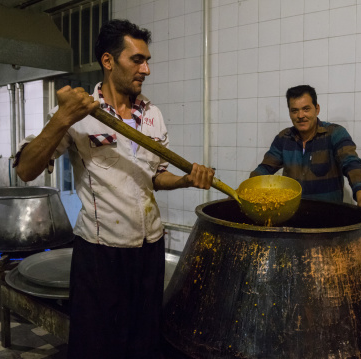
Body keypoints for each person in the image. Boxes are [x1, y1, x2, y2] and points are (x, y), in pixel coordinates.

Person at [14, 19, 215, 359]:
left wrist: (185, 179)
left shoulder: (153, 116)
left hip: (149, 248)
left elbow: (153, 177)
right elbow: (25, 170)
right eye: (137, 60)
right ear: (108, 61)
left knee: (144, 342)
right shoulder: (78, 113)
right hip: (100, 253)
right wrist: (63, 118)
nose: (146, 69)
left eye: (147, 60)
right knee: (96, 346)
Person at [250, 84, 361, 218]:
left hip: (328, 221)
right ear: (289, 112)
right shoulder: (283, 138)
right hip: (292, 219)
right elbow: (265, 169)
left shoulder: (334, 133)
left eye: (306, 109)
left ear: (317, 109)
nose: (300, 115)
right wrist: (246, 190)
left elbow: (351, 163)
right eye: (294, 111)